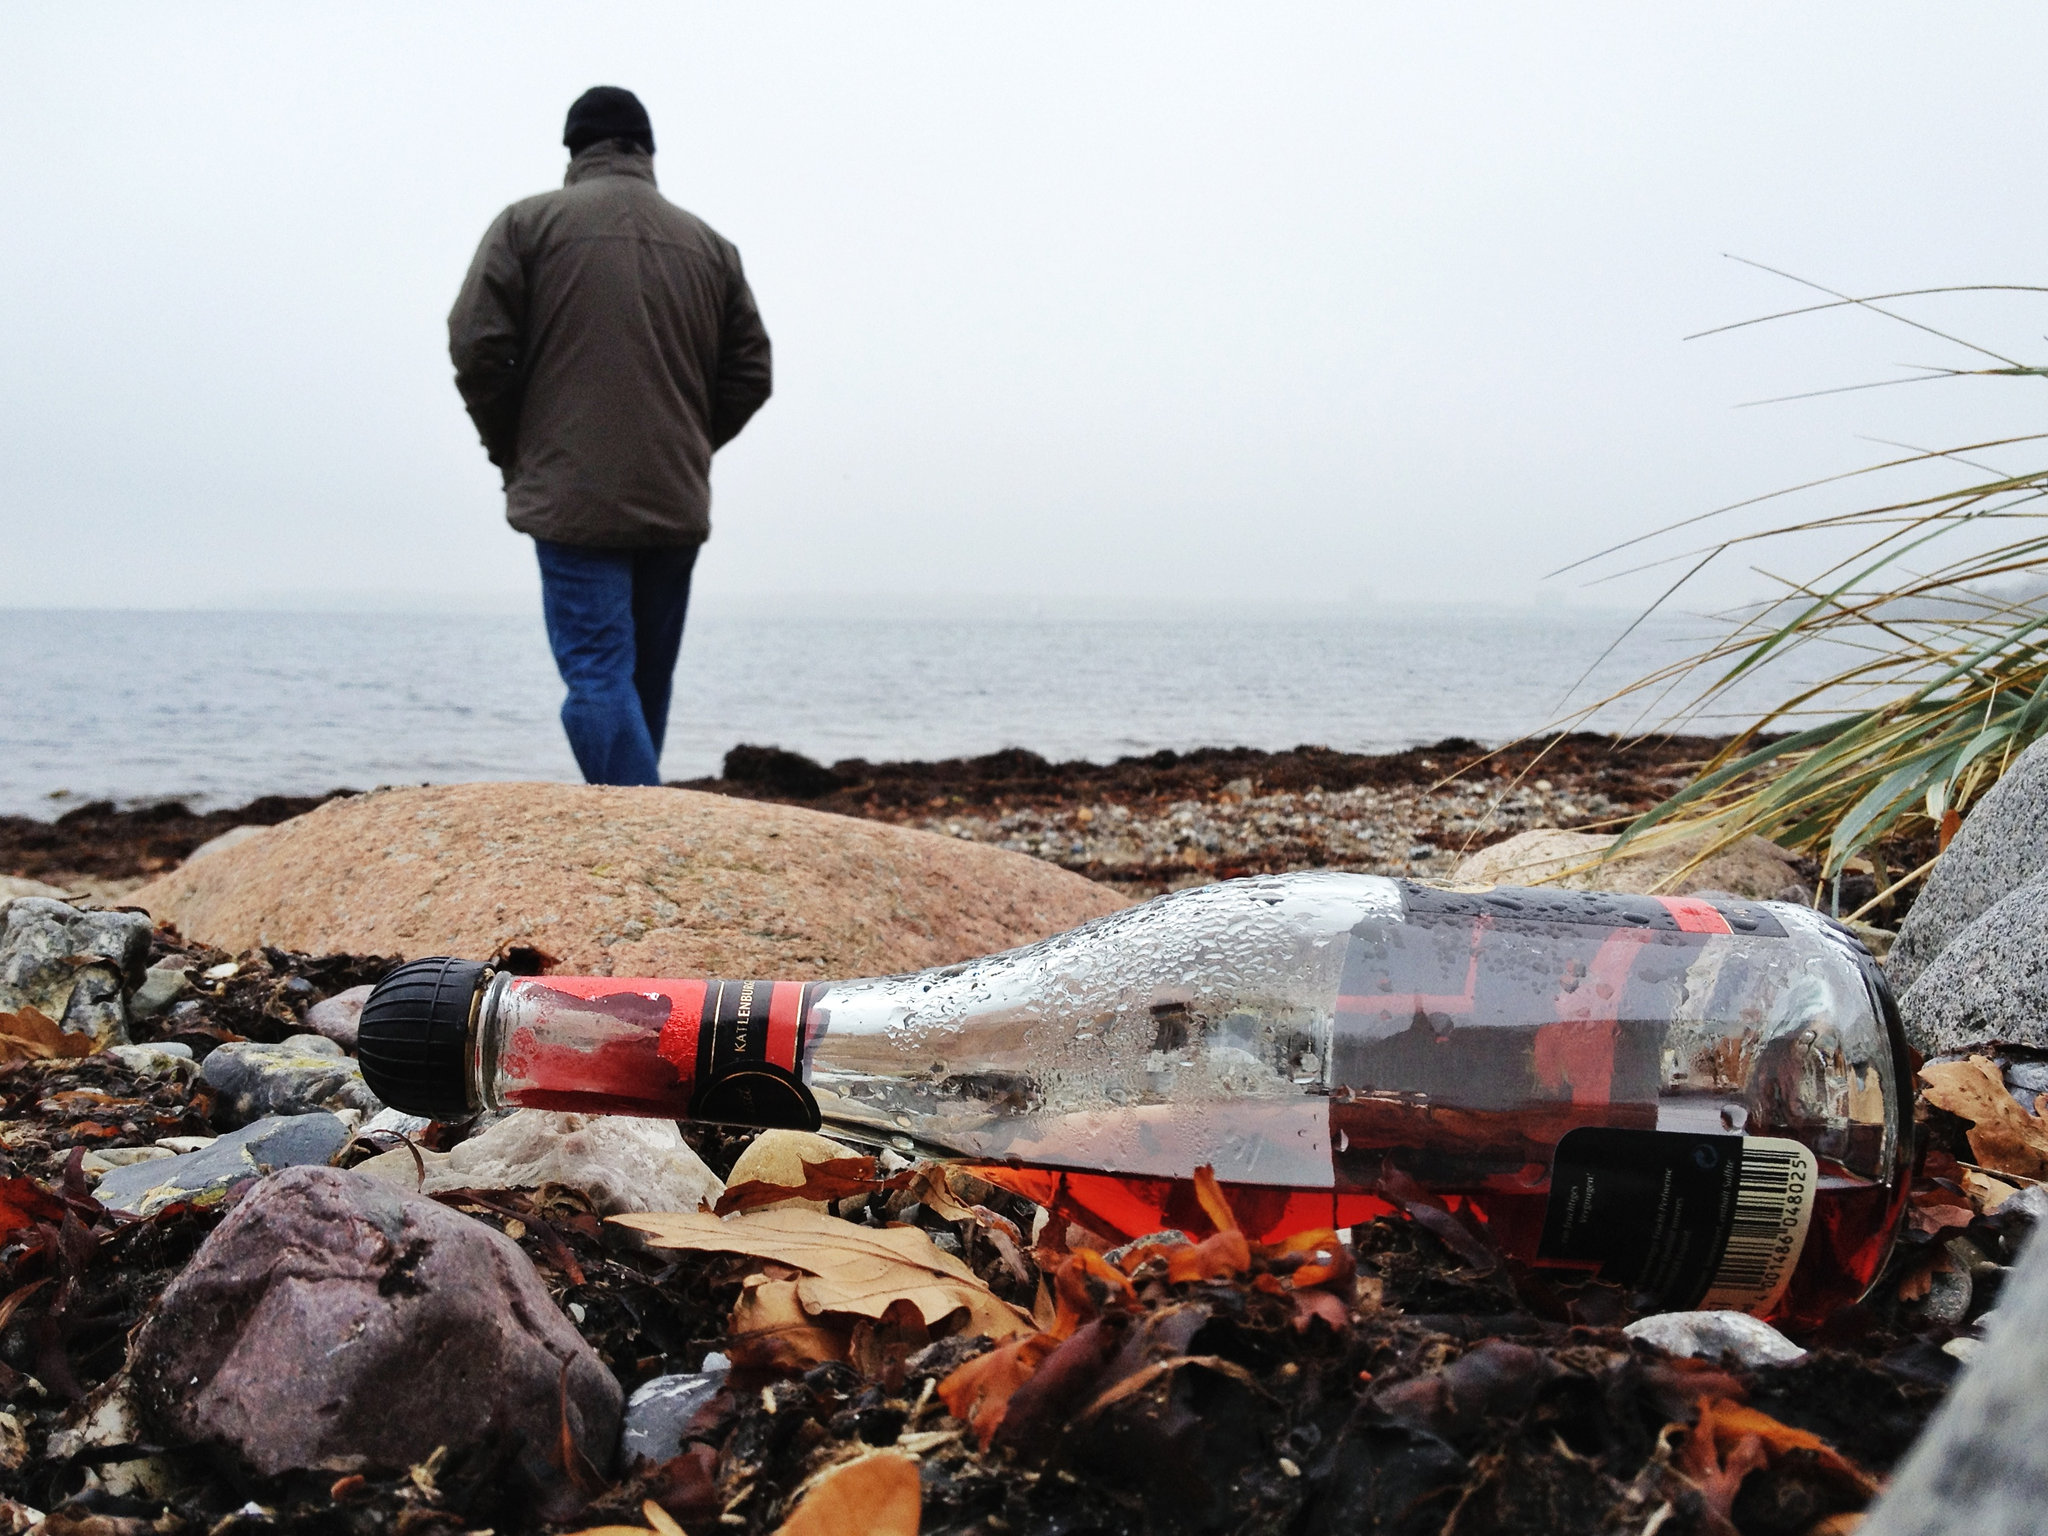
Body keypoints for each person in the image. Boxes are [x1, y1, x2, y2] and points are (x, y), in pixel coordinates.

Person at [448, 86, 771, 786]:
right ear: (647, 151)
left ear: (574, 149)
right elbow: (751, 374)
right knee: (642, 684)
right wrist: (689, 441)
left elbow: (477, 346)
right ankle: (644, 831)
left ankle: (645, 844)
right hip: (672, 495)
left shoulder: (525, 226)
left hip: (572, 494)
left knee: (598, 676)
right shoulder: (712, 248)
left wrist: (514, 448)